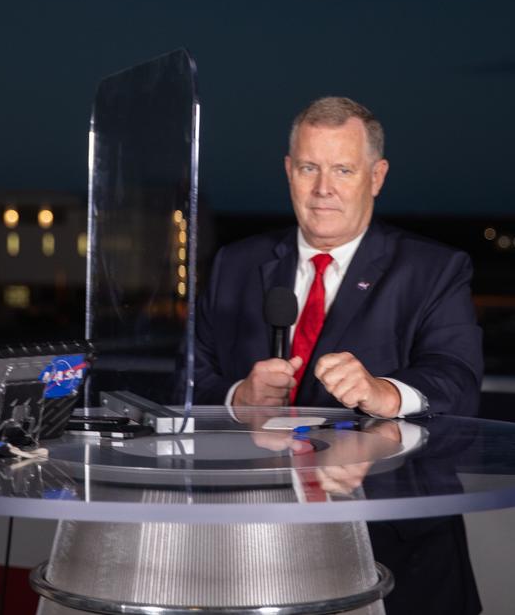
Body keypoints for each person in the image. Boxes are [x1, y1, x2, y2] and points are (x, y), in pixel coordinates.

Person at [191, 95, 483, 615]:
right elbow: (186, 379)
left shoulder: (435, 269)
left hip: (395, 551)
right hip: (252, 550)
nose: (323, 189)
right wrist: (239, 399)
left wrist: (384, 393)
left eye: (343, 170)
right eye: (309, 168)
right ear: (288, 171)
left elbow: (457, 379)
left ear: (377, 176)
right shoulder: (236, 264)